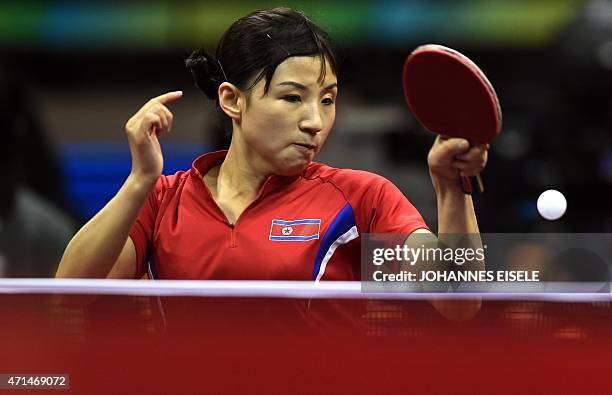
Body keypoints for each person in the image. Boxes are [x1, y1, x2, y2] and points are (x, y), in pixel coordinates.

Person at [56, 7, 488, 281]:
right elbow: (68, 293)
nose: (315, 121)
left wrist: (451, 188)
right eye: (292, 97)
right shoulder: (162, 201)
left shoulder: (362, 198)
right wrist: (139, 181)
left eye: (328, 100)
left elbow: (455, 297)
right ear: (232, 100)